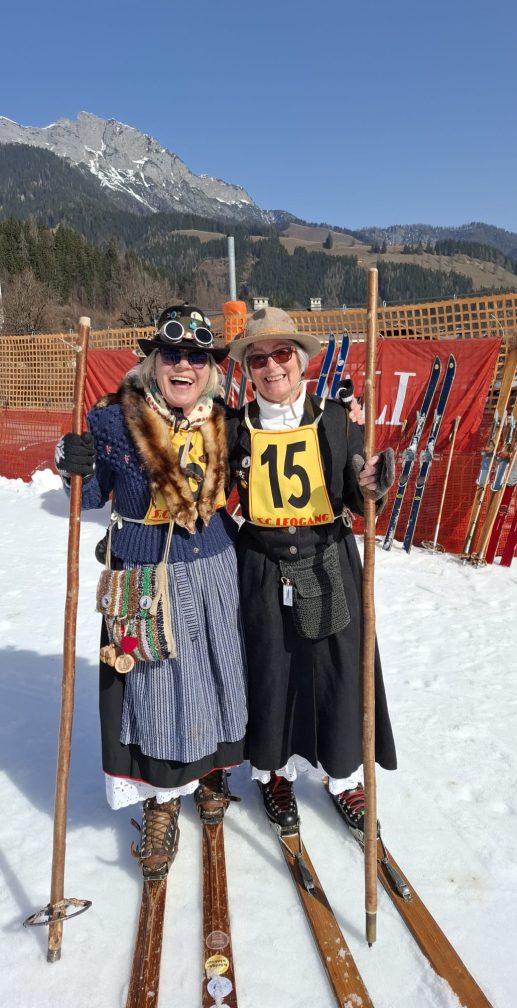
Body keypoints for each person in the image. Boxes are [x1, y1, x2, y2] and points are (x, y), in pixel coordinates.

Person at [55, 304, 247, 878]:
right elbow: (89, 497)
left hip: (215, 564)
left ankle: (212, 773)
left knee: (217, 673)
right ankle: (162, 800)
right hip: (146, 572)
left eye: (197, 357)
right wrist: (71, 464)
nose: (184, 366)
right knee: (157, 686)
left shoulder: (224, 421)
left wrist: (344, 418)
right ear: (153, 361)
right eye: (173, 354)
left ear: (210, 368)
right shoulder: (115, 420)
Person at [225, 306, 397, 834]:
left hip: (328, 561)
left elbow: (360, 499)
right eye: (258, 359)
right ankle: (274, 772)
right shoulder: (233, 428)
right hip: (262, 566)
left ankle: (343, 776)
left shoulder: (337, 421)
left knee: (337, 672)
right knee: (271, 672)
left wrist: (372, 483)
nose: (271, 367)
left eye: (281, 354)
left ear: (301, 361)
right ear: (247, 371)